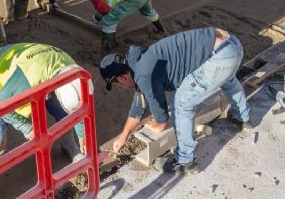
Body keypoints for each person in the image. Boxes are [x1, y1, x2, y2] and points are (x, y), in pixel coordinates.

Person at [100, 27, 252, 175]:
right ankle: (242, 117)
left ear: (121, 78)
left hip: (219, 58)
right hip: (232, 45)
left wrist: (159, 124)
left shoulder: (143, 74)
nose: (120, 87)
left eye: (117, 84)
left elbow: (160, 115)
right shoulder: (138, 60)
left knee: (180, 102)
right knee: (226, 78)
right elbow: (140, 101)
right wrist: (124, 134)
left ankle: (184, 161)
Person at [0, 43, 86, 163]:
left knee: (61, 110)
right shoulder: (29, 78)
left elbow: (78, 104)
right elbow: (0, 105)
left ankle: (68, 144)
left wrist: (82, 134)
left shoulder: (72, 70)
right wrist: (27, 128)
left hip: (38, 68)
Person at [72, 0, 166, 52]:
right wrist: (99, 14)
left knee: (108, 21)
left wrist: (98, 17)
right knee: (149, 12)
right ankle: (162, 30)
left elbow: (104, 10)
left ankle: (109, 51)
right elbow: (108, 3)